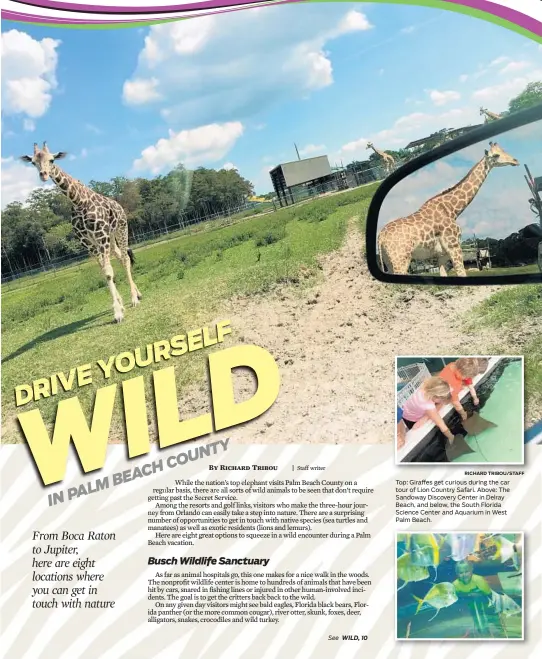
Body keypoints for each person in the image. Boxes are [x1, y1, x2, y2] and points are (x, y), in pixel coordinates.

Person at [400, 376, 455, 443]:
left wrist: (426, 416)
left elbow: (449, 390)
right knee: (418, 431)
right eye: (441, 400)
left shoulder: (427, 387)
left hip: (407, 409)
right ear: (436, 397)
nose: (442, 402)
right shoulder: (427, 405)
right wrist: (451, 437)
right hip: (411, 418)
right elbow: (441, 425)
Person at [452, 560, 493, 636]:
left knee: (477, 603)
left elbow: (489, 594)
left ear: (471, 571)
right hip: (466, 606)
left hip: (481, 604)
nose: (464, 575)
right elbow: (455, 600)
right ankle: (469, 630)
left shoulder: (479, 580)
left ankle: (485, 627)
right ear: (457, 574)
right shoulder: (455, 584)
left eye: (466, 571)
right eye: (461, 573)